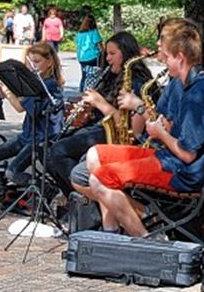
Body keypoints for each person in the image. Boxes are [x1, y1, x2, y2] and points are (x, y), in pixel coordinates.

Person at [84, 21, 204, 237]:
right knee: (95, 155)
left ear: (180, 56)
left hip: (181, 172)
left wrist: (160, 133)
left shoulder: (199, 94)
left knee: (99, 179)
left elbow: (187, 155)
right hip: (168, 158)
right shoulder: (182, 82)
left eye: (166, 57)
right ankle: (111, 233)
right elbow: (168, 122)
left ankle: (146, 242)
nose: (162, 61)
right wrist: (162, 125)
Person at [44, 31, 150, 198]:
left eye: (112, 54)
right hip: (99, 129)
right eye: (107, 53)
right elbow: (99, 112)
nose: (107, 58)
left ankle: (86, 199)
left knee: (58, 152)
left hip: (115, 135)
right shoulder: (110, 76)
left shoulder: (137, 81)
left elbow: (131, 129)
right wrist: (86, 113)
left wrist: (100, 103)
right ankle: (77, 202)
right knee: (48, 151)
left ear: (127, 53)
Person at [0, 42, 65, 207]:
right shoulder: (33, 82)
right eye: (30, 62)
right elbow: (21, 100)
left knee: (12, 172)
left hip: (40, 138)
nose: (33, 66)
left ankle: (52, 190)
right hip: (27, 135)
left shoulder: (49, 85)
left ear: (50, 62)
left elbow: (19, 107)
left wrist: (6, 89)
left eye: (37, 62)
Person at [75, 13, 104, 90]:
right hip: (92, 57)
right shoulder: (94, 32)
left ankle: (82, 90)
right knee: (94, 75)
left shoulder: (80, 33)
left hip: (82, 57)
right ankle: (93, 89)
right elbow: (100, 46)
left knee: (84, 75)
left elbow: (78, 45)